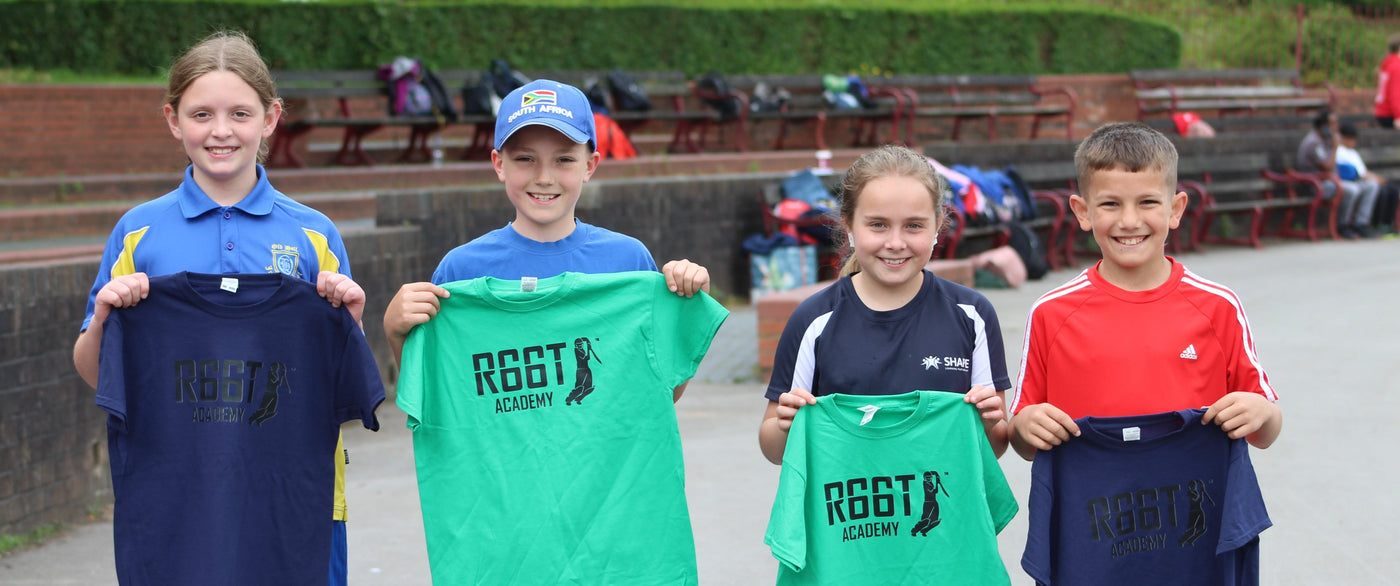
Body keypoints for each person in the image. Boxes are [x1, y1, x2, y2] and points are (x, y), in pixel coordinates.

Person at [70, 31, 367, 586]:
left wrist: (348, 318)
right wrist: (107, 317)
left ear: (272, 118)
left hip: (295, 500)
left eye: (240, 113)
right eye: (201, 113)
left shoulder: (313, 234)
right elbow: (98, 375)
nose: (222, 131)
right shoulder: (138, 233)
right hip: (176, 499)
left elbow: (338, 384)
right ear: (173, 119)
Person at [381, 79, 711, 379]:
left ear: (590, 165)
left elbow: (660, 390)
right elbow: (436, 390)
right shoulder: (461, 269)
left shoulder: (627, 260)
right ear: (499, 164)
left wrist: (688, 310)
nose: (544, 177)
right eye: (525, 159)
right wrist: (396, 331)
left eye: (563, 160)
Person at [1008, 121, 1283, 462]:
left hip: (1194, 507)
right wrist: (1025, 426)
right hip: (1092, 507)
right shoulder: (1051, 312)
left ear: (1176, 209)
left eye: (1148, 202)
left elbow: (1266, 430)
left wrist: (1261, 411)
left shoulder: (1217, 306)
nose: (1129, 220)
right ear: (1083, 212)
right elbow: (1023, 438)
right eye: (1110, 204)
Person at [759, 144, 1013, 465]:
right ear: (849, 224)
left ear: (938, 225)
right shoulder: (813, 319)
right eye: (878, 224)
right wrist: (785, 426)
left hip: (940, 511)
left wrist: (991, 422)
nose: (895, 243)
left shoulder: (972, 314)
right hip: (847, 512)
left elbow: (994, 447)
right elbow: (773, 449)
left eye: (914, 225)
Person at [1297, 108, 1379, 239]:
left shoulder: (1326, 140)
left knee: (1371, 186)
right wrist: (1336, 146)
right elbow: (1327, 167)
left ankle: (1360, 224)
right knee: (1351, 189)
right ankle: (1342, 225)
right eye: (1333, 124)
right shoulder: (1313, 143)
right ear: (1323, 126)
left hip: (1331, 181)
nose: (1336, 128)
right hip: (1316, 185)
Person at [1337, 122, 1399, 235]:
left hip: (1361, 179)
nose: (1353, 142)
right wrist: (1376, 179)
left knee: (1393, 190)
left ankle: (1387, 224)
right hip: (1351, 181)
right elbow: (1358, 174)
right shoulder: (1338, 151)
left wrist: (1377, 178)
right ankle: (1371, 224)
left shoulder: (1353, 152)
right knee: (1379, 190)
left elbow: (1363, 170)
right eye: (1351, 139)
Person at [1376, 33, 1400, 129]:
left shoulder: (1389, 63)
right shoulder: (1397, 67)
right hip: (1390, 114)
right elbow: (1396, 94)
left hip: (1382, 112)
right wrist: (1398, 116)